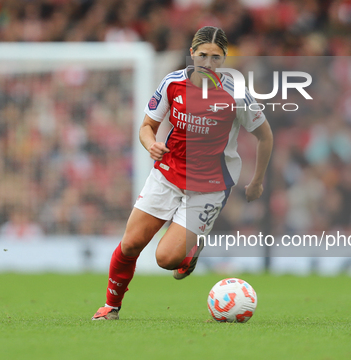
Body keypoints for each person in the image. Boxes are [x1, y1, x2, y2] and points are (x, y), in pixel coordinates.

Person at [92, 26, 273, 320]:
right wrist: (151, 145)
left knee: (166, 259)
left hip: (210, 185)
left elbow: (265, 137)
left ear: (224, 59)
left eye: (216, 57)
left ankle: (193, 247)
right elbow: (146, 127)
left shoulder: (236, 95)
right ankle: (111, 307)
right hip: (168, 174)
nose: (208, 63)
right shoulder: (172, 83)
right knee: (131, 244)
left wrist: (257, 181)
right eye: (203, 55)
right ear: (192, 54)